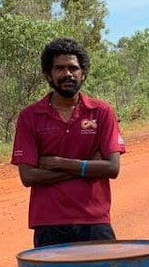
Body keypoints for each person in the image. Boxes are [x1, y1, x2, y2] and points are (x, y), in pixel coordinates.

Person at [12, 38, 126, 248]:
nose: (67, 74)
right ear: (48, 74)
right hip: (49, 222)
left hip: (94, 219)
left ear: (83, 73)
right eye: (59, 68)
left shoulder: (101, 112)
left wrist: (58, 162)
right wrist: (89, 165)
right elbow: (28, 176)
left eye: (73, 68)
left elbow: (112, 167)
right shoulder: (30, 116)